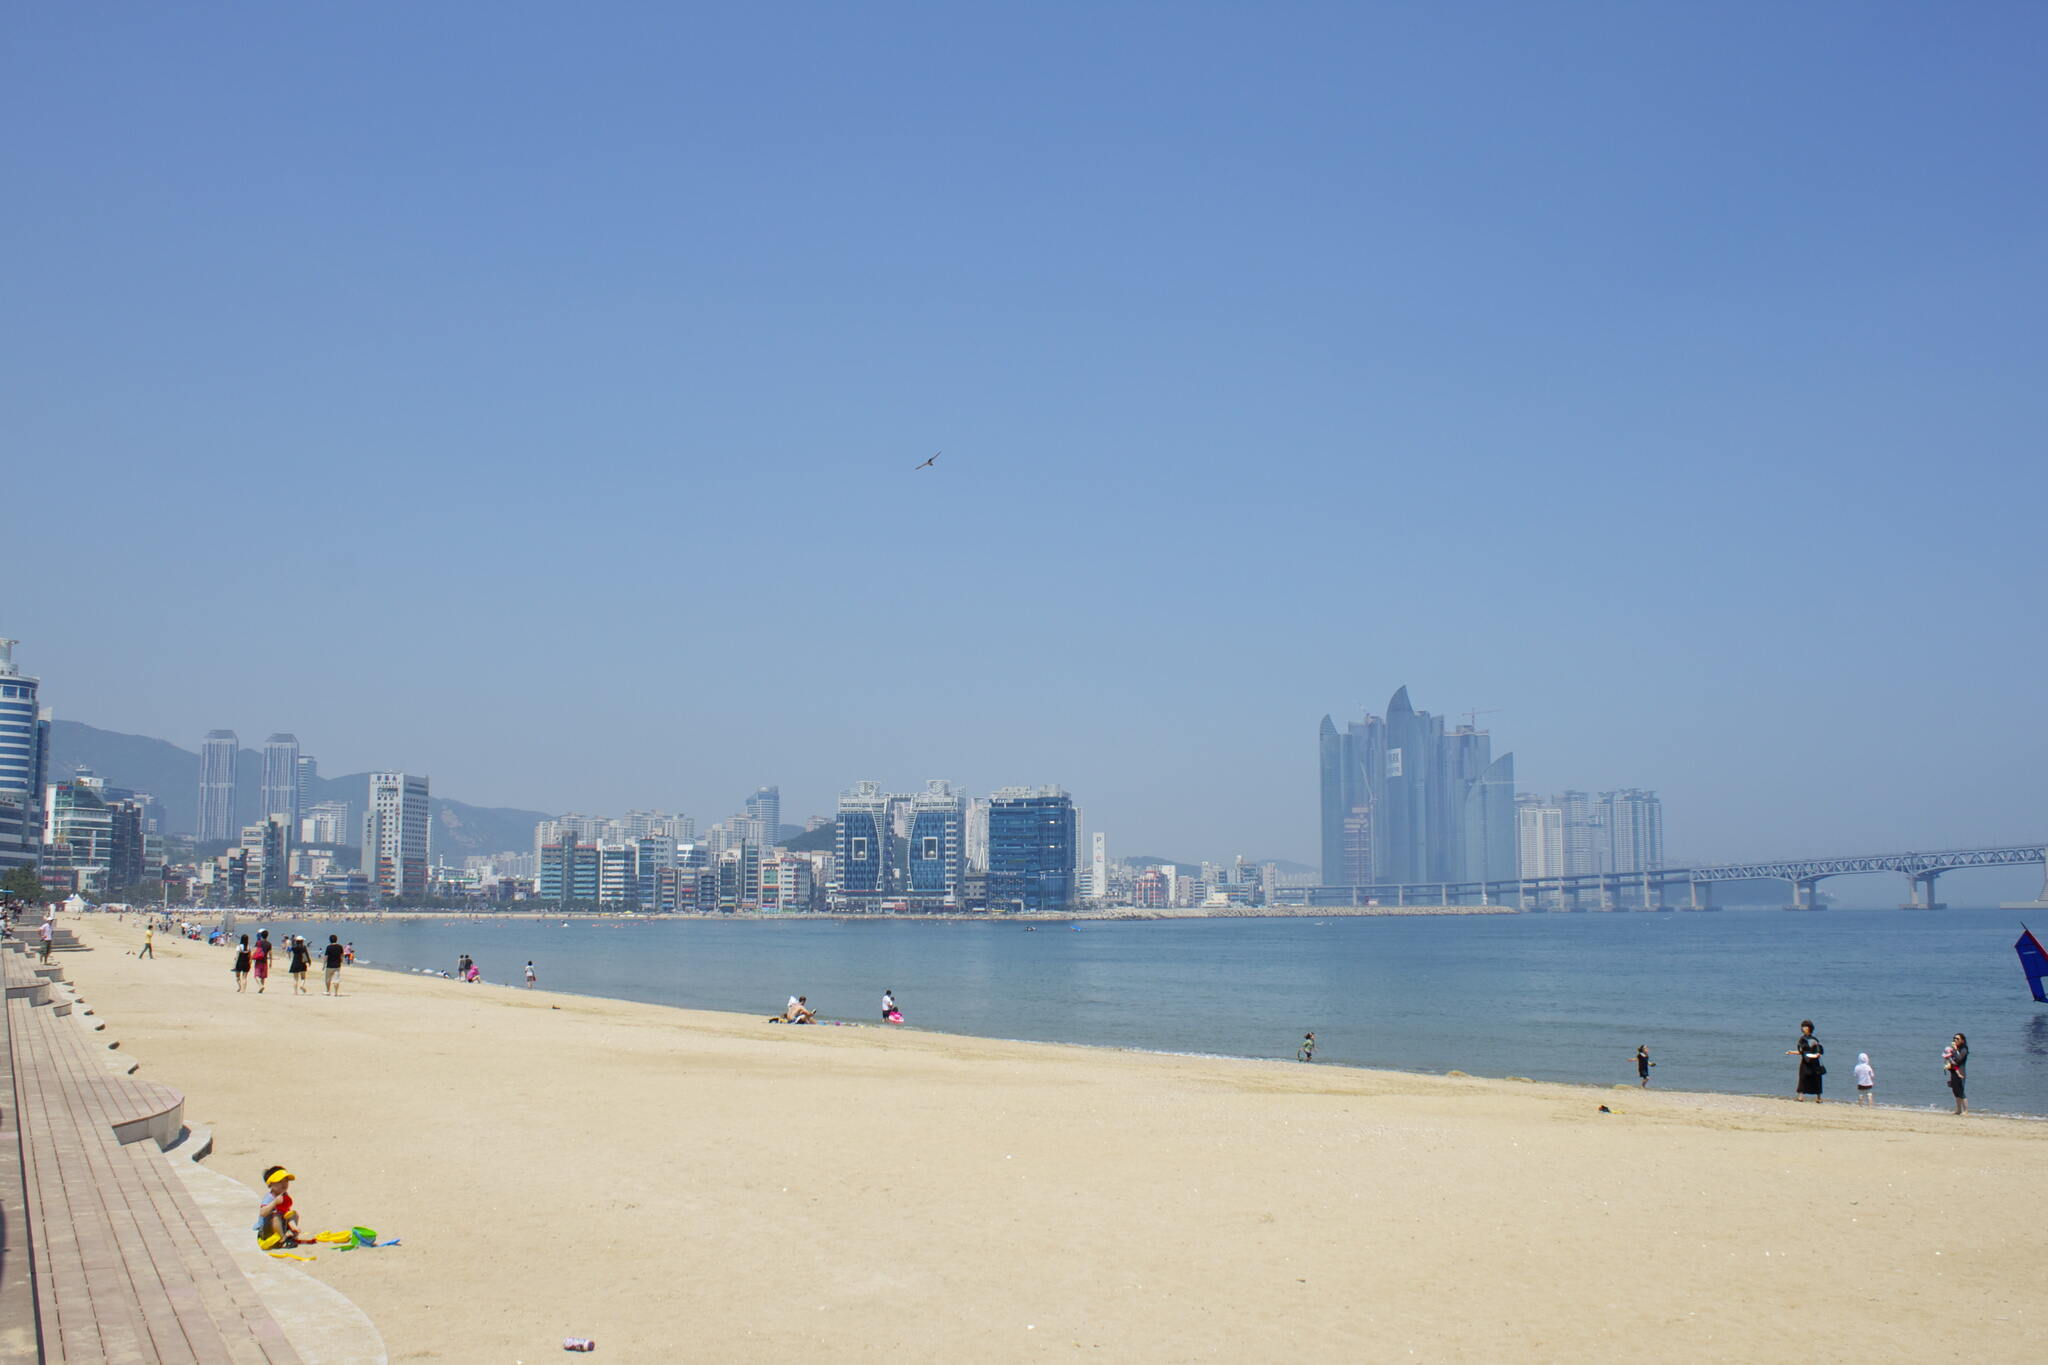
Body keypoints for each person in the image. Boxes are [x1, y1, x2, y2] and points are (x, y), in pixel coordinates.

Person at [253, 1166, 300, 1248]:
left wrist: (293, 1226)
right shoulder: (269, 1198)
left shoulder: (284, 1195)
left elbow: (286, 1212)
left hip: (279, 1226)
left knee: (293, 1214)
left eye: (286, 1181)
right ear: (270, 1184)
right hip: (266, 1231)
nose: (284, 1184)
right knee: (275, 1216)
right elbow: (262, 1213)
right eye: (279, 1181)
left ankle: (292, 1234)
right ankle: (283, 1240)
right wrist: (274, 1203)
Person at [1786, 1020, 1824, 1101]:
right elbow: (1801, 1052)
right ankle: (1801, 1096)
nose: (1804, 1028)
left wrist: (1818, 1054)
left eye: (1805, 1026)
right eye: (1803, 1026)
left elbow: (1819, 1051)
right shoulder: (1802, 1039)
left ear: (1810, 1028)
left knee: (1817, 1078)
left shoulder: (1814, 1039)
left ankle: (1819, 1098)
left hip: (1815, 1062)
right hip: (1805, 1062)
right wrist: (1791, 1052)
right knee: (1803, 1078)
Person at [1944, 1033, 1968, 1116]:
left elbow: (1959, 1059)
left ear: (1962, 1040)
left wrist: (1954, 1050)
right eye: (1954, 1038)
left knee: (1961, 1092)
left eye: (1957, 1039)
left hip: (1961, 1073)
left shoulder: (1964, 1049)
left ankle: (1966, 1111)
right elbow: (1951, 1060)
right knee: (1955, 1091)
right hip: (1954, 1072)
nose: (1955, 1040)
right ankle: (1958, 1110)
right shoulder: (1954, 1049)